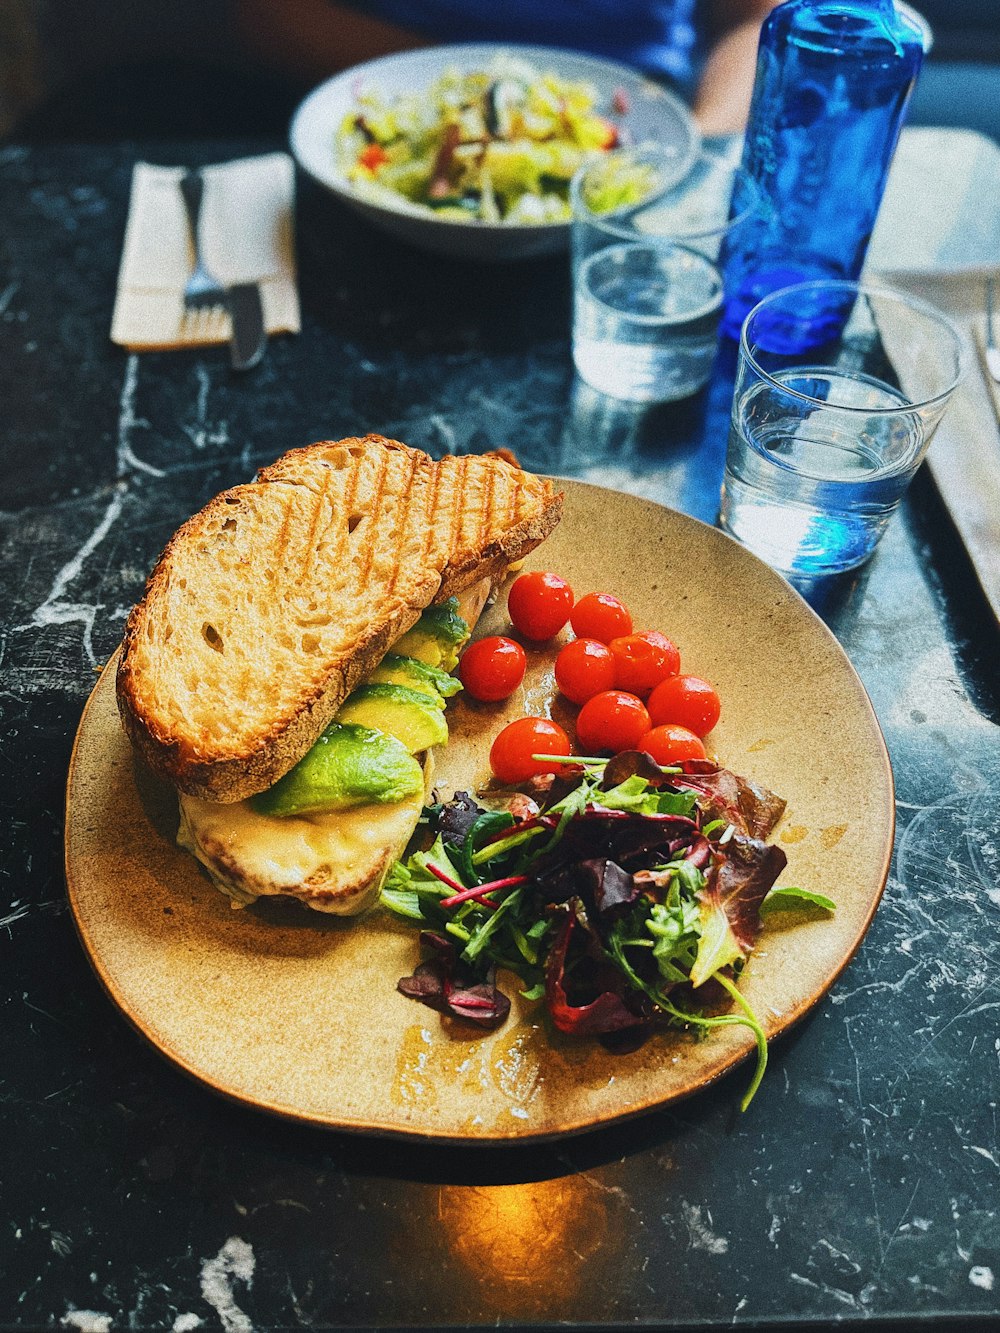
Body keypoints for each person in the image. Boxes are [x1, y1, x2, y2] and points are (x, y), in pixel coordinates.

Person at [228, 0, 782, 135]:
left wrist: (699, 141)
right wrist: (445, 97)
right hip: (368, 107)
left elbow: (758, 14)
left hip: (648, 124)